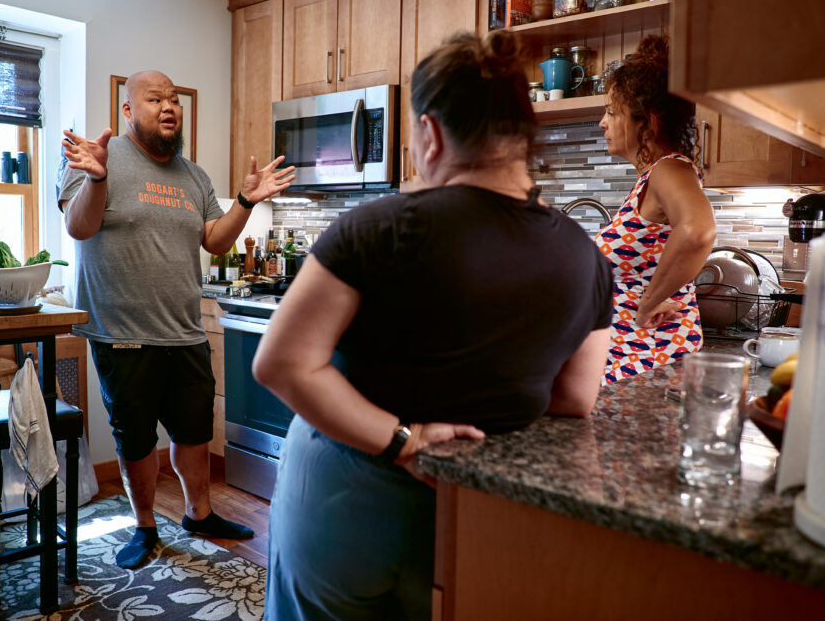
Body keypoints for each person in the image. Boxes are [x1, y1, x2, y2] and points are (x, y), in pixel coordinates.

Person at [252, 31, 613, 620]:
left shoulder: (378, 227)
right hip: (472, 511)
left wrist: (404, 439)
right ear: (522, 135)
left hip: (345, 496)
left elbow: (282, 361)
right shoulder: (588, 260)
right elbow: (575, 398)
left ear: (432, 132)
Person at [57, 70, 295, 569]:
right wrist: (97, 179)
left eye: (174, 100)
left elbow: (215, 240)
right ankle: (145, 525)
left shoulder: (194, 175)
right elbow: (80, 227)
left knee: (193, 432)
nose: (168, 107)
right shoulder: (96, 157)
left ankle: (199, 513)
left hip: (184, 329)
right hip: (122, 332)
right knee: (137, 437)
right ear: (128, 111)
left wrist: (246, 201)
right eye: (154, 99)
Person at [594, 35, 717, 384]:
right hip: (634, 364)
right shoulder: (654, 177)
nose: (602, 123)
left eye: (612, 112)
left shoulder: (669, 169)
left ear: (646, 122)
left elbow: (697, 231)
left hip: (650, 367)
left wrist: (648, 304)